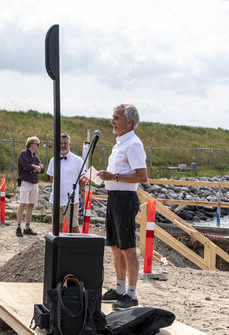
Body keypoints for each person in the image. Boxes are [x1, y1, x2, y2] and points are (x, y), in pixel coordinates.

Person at [94, 104, 147, 309]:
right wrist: (102, 177)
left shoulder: (133, 144)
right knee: (116, 247)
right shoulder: (119, 144)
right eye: (113, 117)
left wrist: (114, 176)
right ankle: (119, 289)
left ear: (129, 122)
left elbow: (142, 176)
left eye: (116, 117)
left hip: (125, 198)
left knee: (128, 248)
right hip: (113, 197)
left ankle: (131, 294)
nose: (112, 121)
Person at [47, 133, 85, 233]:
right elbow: (52, 177)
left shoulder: (78, 160)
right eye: (61, 143)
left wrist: (76, 191)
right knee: (56, 227)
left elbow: (83, 179)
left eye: (65, 143)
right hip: (55, 199)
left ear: (69, 144)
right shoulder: (53, 160)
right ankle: (58, 248)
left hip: (71, 200)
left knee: (74, 227)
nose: (63, 145)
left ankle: (76, 248)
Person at [15, 136, 44, 237]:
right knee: (23, 203)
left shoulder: (35, 157)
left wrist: (34, 167)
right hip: (25, 182)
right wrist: (35, 167)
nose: (39, 147)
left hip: (34, 182)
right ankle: (18, 227)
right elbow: (26, 166)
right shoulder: (23, 154)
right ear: (32, 144)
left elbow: (42, 169)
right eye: (37, 144)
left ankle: (27, 227)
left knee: (31, 204)